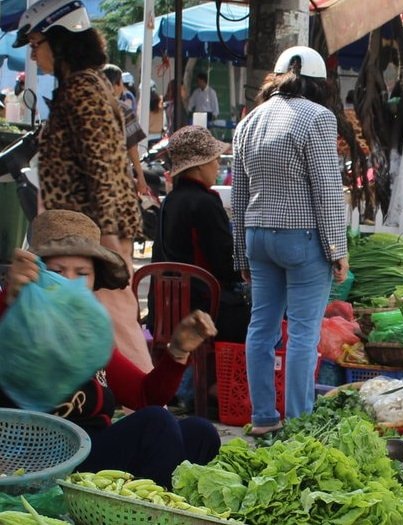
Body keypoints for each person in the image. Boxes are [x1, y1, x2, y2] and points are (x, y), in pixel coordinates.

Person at [1, 210, 220, 487]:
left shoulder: (89, 339)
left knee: (200, 432)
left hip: (93, 452)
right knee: (155, 424)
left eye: (82, 273)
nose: (70, 282)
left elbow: (144, 395)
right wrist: (10, 301)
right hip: (45, 462)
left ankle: (152, 502)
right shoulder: (12, 319)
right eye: (57, 272)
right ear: (36, 274)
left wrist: (177, 351)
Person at [14, 0, 152, 372]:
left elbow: (105, 170)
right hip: (82, 234)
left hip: (94, 235)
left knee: (118, 323)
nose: (34, 53)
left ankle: (147, 407)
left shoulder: (83, 90)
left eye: (36, 43)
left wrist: (105, 243)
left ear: (61, 42)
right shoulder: (80, 88)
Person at [232, 46, 349, 435]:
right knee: (302, 333)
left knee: (261, 329)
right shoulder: (317, 117)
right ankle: (300, 423)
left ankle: (263, 418)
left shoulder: (248, 122)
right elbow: (328, 189)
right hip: (302, 239)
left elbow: (239, 193)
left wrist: (240, 255)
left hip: (257, 237)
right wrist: (337, 248)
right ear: (317, 83)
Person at [152, 125, 247, 344]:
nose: (217, 165)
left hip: (164, 310)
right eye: (215, 159)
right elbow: (226, 264)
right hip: (203, 310)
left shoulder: (170, 201)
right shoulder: (205, 203)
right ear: (199, 165)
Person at [101, 64, 149, 196]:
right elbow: (132, 147)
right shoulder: (124, 111)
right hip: (119, 177)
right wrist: (140, 175)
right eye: (121, 82)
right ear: (116, 84)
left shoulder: (91, 108)